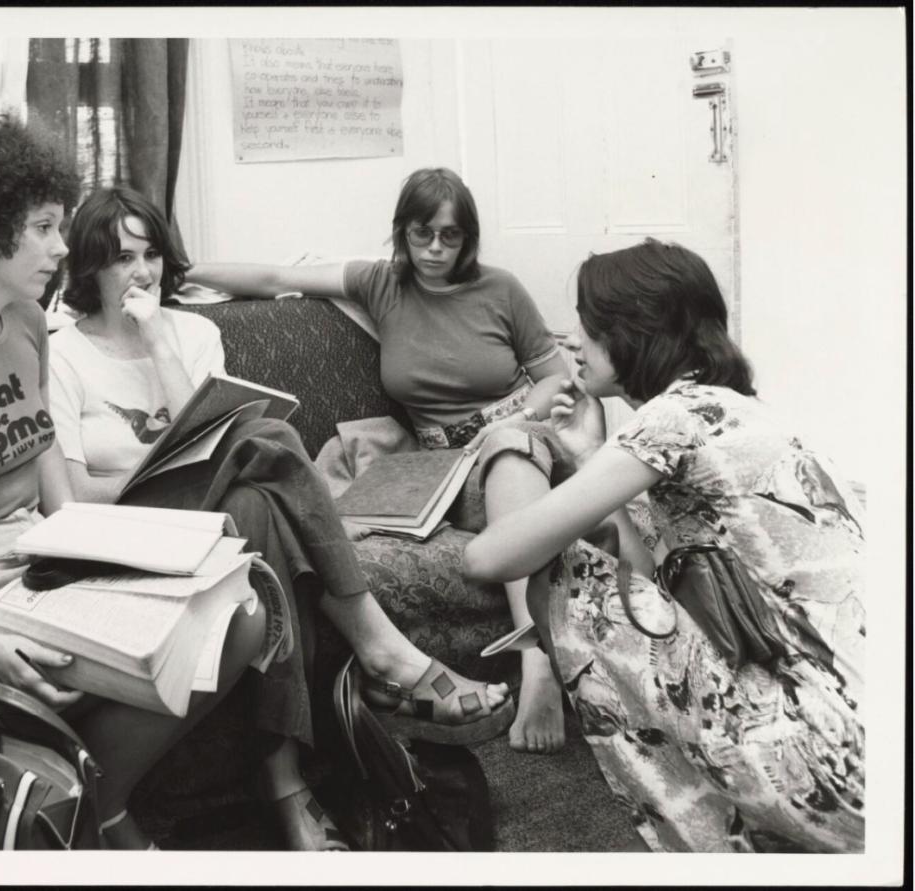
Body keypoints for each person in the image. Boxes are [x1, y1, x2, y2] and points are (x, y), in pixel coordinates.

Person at [47, 184, 513, 851]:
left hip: (218, 521)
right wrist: (153, 473)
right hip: (127, 529)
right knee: (266, 444)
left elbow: (206, 440)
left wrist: (156, 341)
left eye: (150, 254)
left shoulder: (192, 334)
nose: (141, 272)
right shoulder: (62, 353)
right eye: (121, 258)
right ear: (90, 267)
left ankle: (285, 782)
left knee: (257, 505)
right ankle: (378, 651)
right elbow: (74, 498)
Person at [0, 114, 270, 850]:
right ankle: (91, 813)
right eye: (43, 228)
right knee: (75, 671)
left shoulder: (24, 325)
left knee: (239, 616)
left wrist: (124, 559)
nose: (62, 247)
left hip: (31, 561)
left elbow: (58, 497)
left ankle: (98, 801)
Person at [461, 239, 865, 852]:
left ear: (635, 333)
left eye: (589, 324)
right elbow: (650, 574)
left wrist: (520, 444)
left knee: (564, 568)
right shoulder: (734, 410)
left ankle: (716, 839)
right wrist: (592, 455)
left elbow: (488, 557)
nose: (572, 340)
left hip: (827, 757)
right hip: (871, 750)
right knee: (634, 535)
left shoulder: (672, 418)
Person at [183, 167, 572, 754]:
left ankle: (532, 654)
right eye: (423, 235)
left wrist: (512, 420)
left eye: (451, 237)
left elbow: (554, 378)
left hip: (511, 448)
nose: (436, 250)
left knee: (511, 453)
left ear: (469, 239)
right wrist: (173, 269)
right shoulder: (382, 285)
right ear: (402, 234)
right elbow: (273, 276)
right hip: (434, 466)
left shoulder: (501, 290)